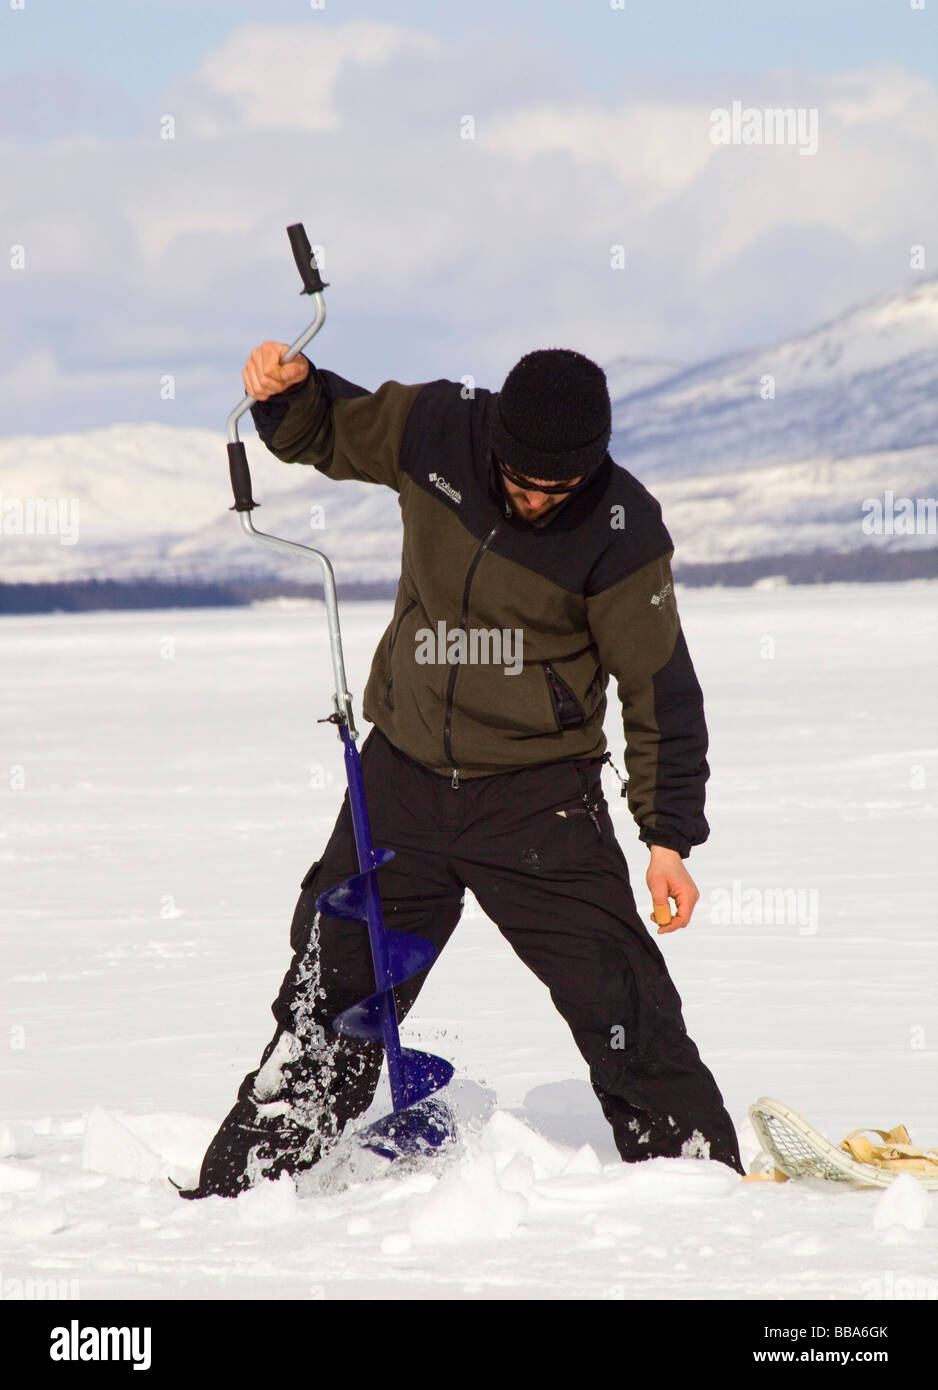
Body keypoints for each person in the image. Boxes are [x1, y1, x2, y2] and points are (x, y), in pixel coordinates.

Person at [179, 343, 744, 1198]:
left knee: (623, 1002)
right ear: (496, 442)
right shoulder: (438, 428)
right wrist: (289, 397)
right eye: (521, 478)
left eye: (558, 488)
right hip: (401, 782)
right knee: (331, 998)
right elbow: (328, 430)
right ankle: (242, 1194)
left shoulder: (621, 525)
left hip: (539, 803)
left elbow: (660, 689)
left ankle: (697, 1183)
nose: (535, 497)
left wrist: (667, 838)